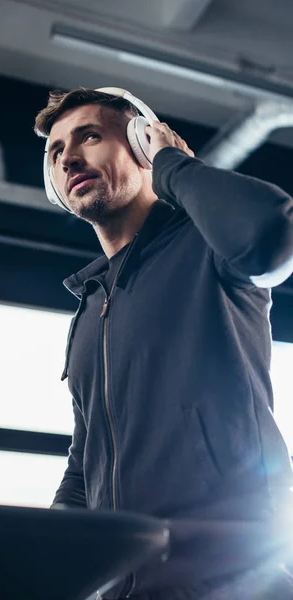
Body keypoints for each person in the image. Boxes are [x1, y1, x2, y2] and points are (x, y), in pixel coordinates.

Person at [34, 87, 293, 599]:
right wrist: (50, 555)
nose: (71, 158)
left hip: (233, 581)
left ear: (140, 142)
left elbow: (270, 236)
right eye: (57, 152)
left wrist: (172, 165)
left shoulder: (207, 245)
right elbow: (84, 467)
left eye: (90, 136)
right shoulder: (89, 308)